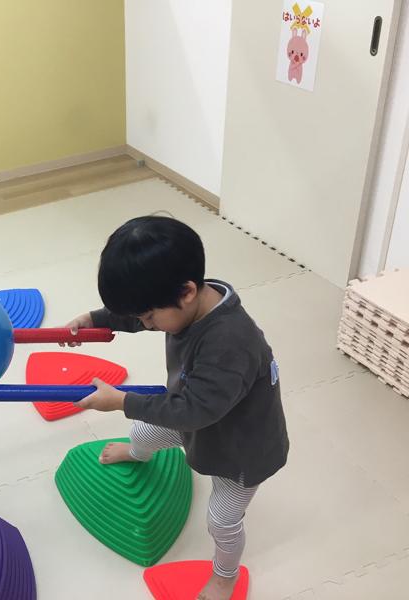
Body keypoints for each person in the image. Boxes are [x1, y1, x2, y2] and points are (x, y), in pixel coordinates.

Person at [65, 216, 289, 600]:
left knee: (221, 520)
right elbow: (144, 316)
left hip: (240, 450)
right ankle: (139, 453)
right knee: (141, 433)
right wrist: (94, 319)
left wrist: (122, 401)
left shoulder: (230, 341)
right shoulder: (184, 298)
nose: (146, 324)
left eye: (148, 317)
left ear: (186, 292)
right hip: (196, 414)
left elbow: (194, 412)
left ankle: (225, 576)